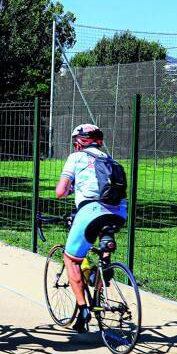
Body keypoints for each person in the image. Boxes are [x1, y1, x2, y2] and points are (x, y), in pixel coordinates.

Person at [55, 123, 127, 333]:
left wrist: (72, 190)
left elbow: (60, 191)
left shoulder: (75, 158)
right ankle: (104, 269)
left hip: (91, 212)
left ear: (79, 142)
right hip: (119, 213)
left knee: (71, 259)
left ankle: (83, 310)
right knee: (105, 247)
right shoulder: (110, 159)